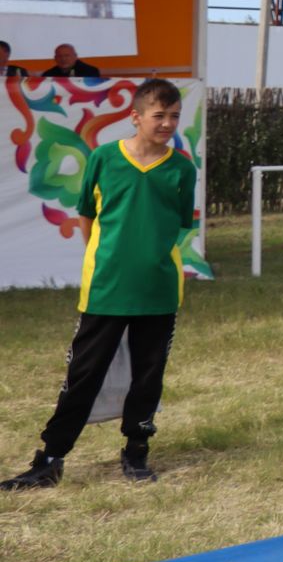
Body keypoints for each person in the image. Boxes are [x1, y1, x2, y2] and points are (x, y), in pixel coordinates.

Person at [2, 79, 196, 490]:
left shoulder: (182, 168)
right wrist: (109, 259)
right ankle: (50, 459)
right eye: (158, 115)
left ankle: (136, 452)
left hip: (158, 292)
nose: (166, 123)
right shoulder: (105, 158)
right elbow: (87, 216)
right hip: (106, 288)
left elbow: (180, 223)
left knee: (148, 376)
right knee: (83, 374)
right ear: (136, 117)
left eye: (174, 116)